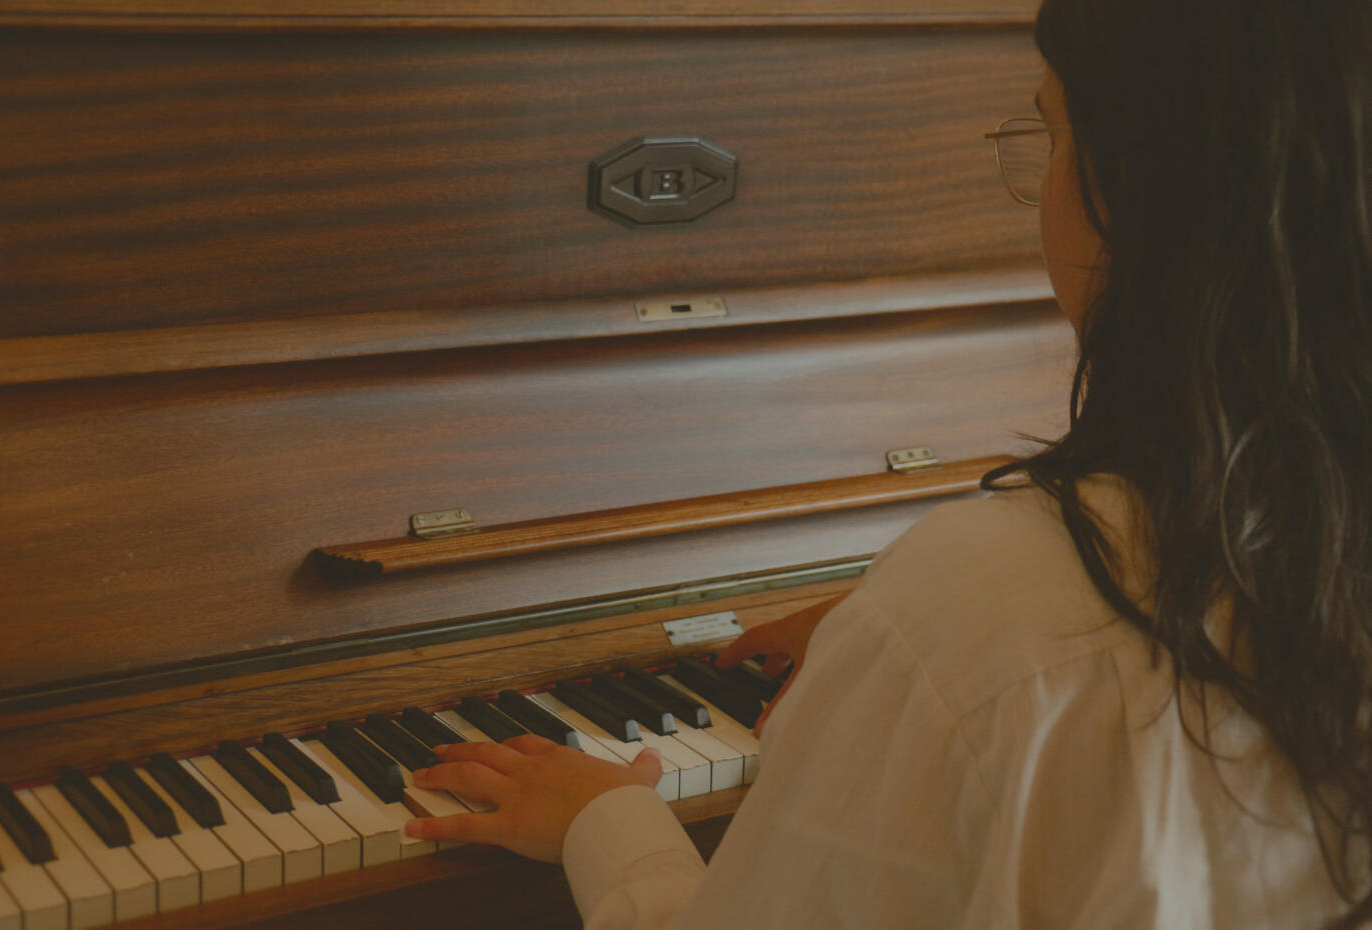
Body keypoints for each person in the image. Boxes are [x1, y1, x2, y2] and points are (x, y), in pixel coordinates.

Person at [403, 0, 1372, 926]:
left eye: (1052, 135)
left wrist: (607, 824)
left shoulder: (988, 613)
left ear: (1136, 189)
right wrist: (911, 641)